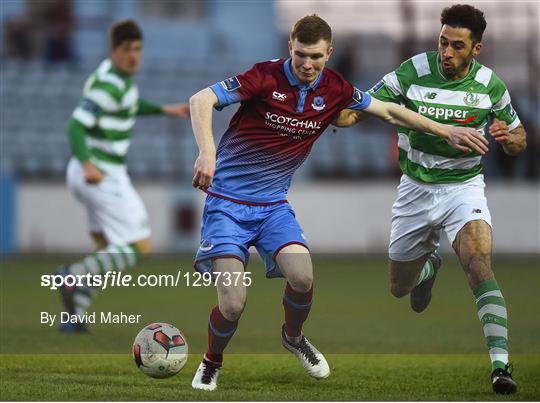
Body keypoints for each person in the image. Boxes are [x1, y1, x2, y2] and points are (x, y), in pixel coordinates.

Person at [188, 14, 488, 391]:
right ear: (290, 48)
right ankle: (212, 361)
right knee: (233, 304)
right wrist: (207, 153)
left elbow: (390, 110)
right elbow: (201, 99)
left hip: (272, 207)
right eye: (300, 55)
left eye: (315, 56)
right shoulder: (264, 76)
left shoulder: (335, 89)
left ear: (329, 53)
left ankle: (294, 338)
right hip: (227, 205)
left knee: (303, 277)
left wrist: (446, 130)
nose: (307, 64)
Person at [343, 4, 526, 395]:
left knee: (478, 262)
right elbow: (367, 106)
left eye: (457, 46)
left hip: (464, 187)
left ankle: (500, 366)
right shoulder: (413, 72)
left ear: (476, 49)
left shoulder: (490, 86)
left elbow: (519, 137)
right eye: (442, 42)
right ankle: (428, 269)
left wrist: (511, 141)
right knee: (398, 288)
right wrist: (339, 115)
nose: (446, 52)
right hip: (415, 189)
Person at [57, 20, 189, 332]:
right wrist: (88, 163)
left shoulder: (115, 78)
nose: (134, 56)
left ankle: (74, 316)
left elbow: (127, 106)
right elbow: (75, 126)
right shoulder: (109, 85)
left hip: (89, 172)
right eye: (127, 50)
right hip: (101, 174)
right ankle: (72, 278)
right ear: (113, 50)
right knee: (138, 247)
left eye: (138, 49)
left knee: (106, 246)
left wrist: (163, 110)